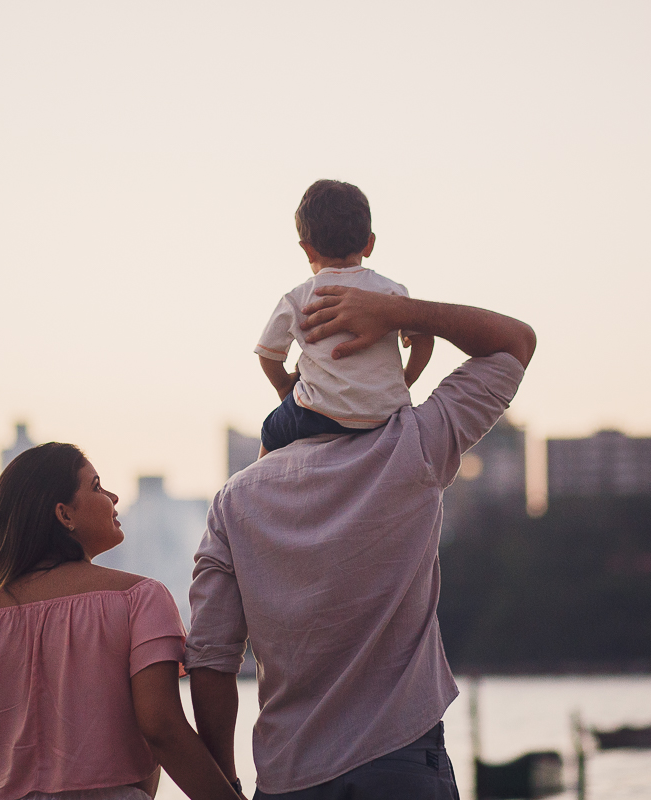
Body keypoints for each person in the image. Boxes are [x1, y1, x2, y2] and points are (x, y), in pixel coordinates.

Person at [187, 286, 536, 798]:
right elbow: (514, 343)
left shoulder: (234, 501)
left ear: (303, 380)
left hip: (290, 776)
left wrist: (225, 785)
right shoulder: (417, 445)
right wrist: (402, 313)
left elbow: (211, 661)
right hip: (402, 765)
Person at [0, 443, 242, 800]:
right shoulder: (139, 599)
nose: (113, 497)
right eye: (97, 486)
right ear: (64, 514)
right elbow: (162, 728)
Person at [255, 179, 434, 454]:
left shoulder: (297, 298)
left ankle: (259, 481)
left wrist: (283, 387)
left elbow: (268, 355)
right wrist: (405, 380)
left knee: (271, 431)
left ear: (308, 250)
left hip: (318, 413)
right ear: (369, 244)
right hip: (386, 413)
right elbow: (424, 340)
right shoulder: (392, 292)